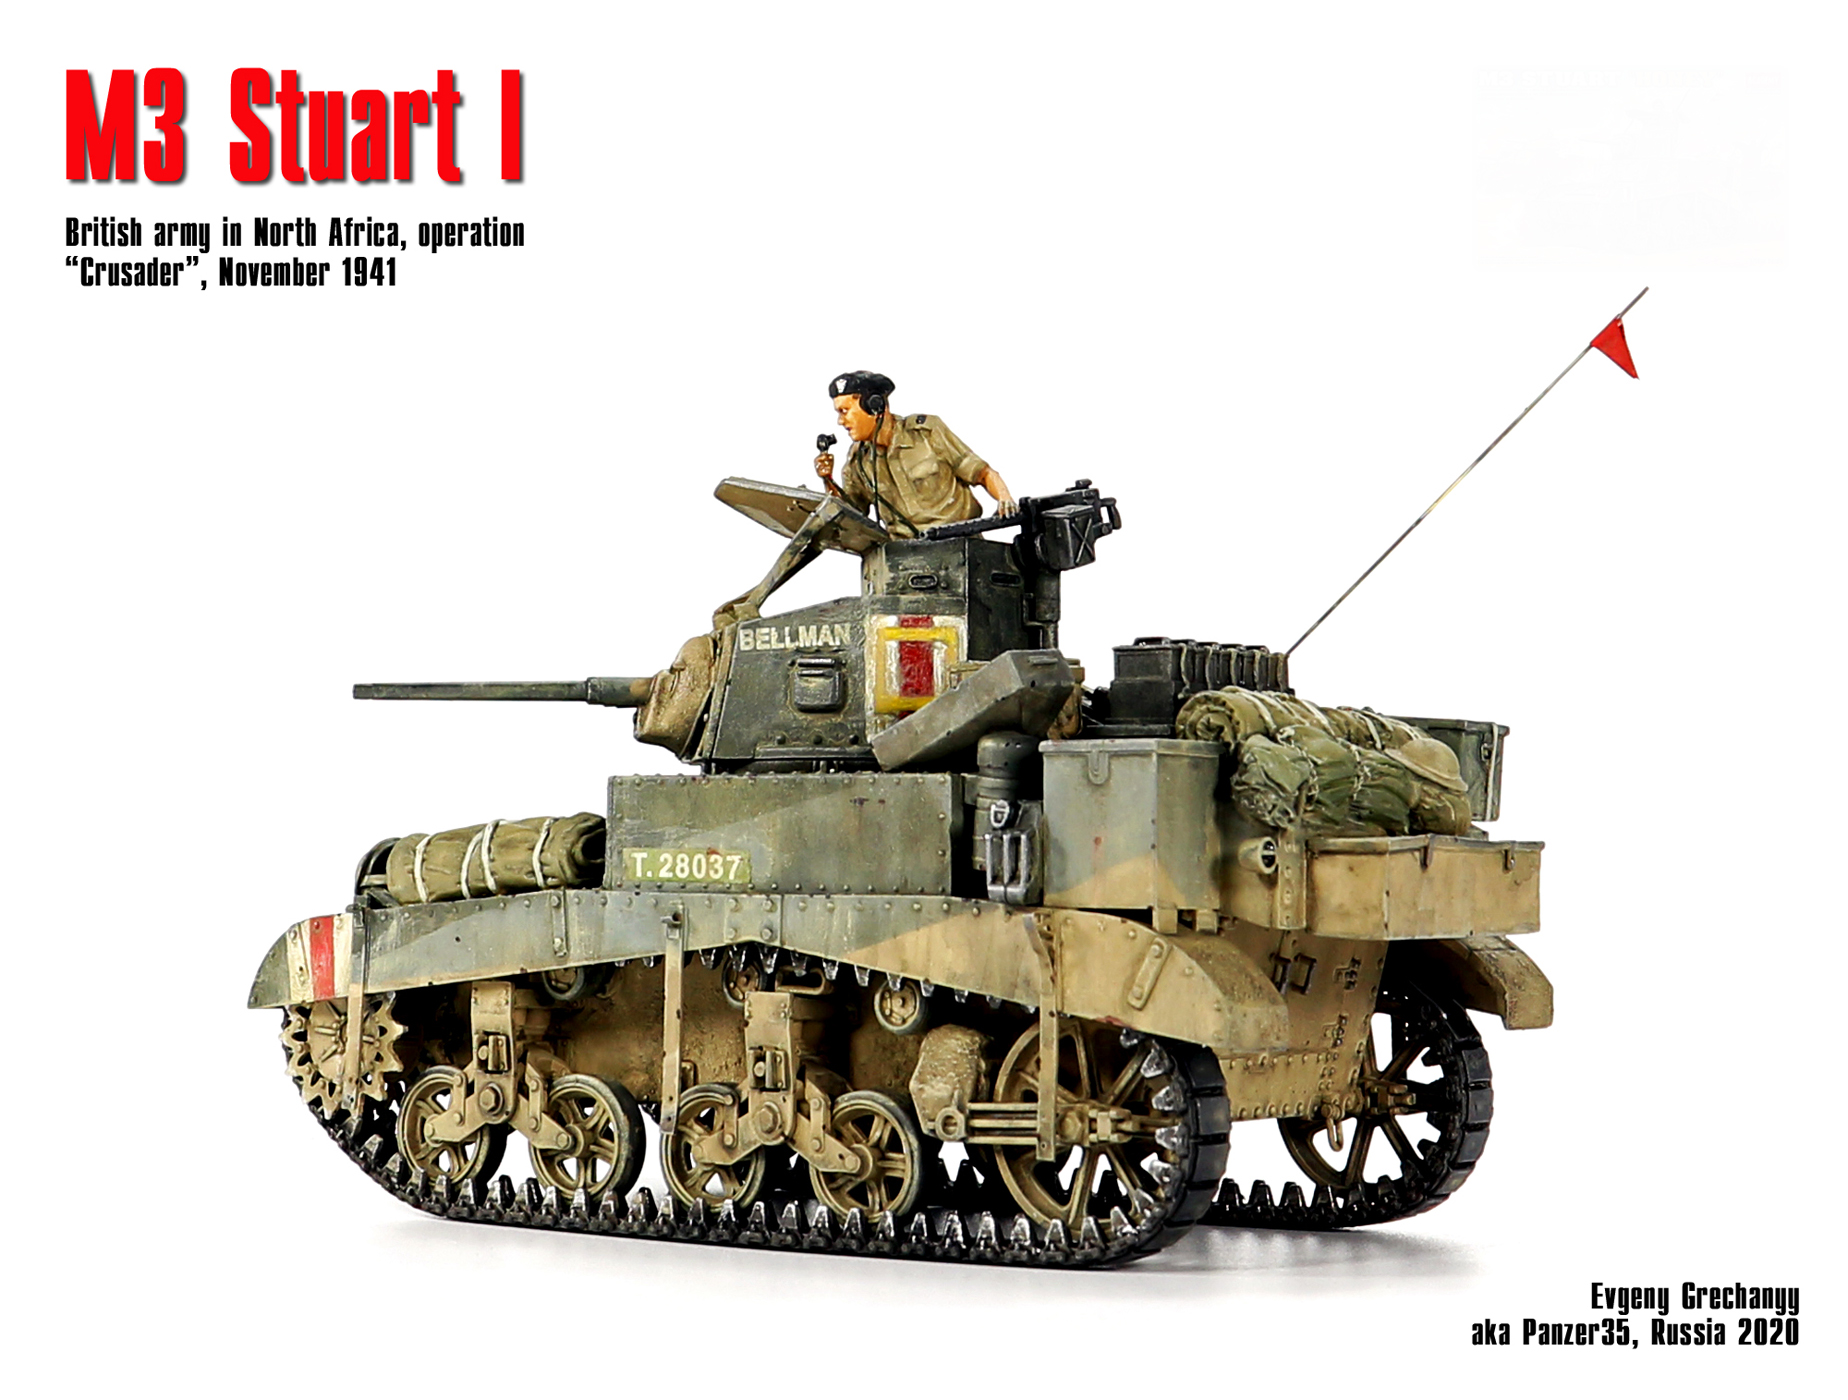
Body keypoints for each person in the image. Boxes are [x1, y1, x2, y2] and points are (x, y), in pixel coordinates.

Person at [814, 371, 1016, 539]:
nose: (841, 421)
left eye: (845, 411)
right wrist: (828, 479)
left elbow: (982, 472)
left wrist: (1004, 498)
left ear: (874, 406)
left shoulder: (926, 433)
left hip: (959, 545)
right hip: (905, 557)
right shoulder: (859, 460)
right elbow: (851, 514)